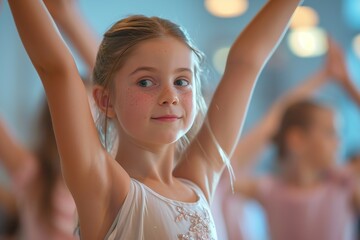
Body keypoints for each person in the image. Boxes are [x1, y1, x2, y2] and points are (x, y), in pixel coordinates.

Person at [8, 0, 301, 239]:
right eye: (146, 82)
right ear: (105, 100)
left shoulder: (199, 180)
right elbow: (57, 69)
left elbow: (246, 63)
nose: (169, 96)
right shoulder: (104, 185)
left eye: (182, 81)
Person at [231, 39, 360, 240]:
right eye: (330, 133)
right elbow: (226, 171)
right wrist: (320, 78)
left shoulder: (346, 185)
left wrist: (348, 82)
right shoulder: (268, 189)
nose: (339, 142)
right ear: (297, 139)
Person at [0, 1, 99, 239]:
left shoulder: (115, 178)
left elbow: (118, 87)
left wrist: (68, 16)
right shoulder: (34, 176)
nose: (85, 125)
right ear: (54, 123)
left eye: (94, 114)